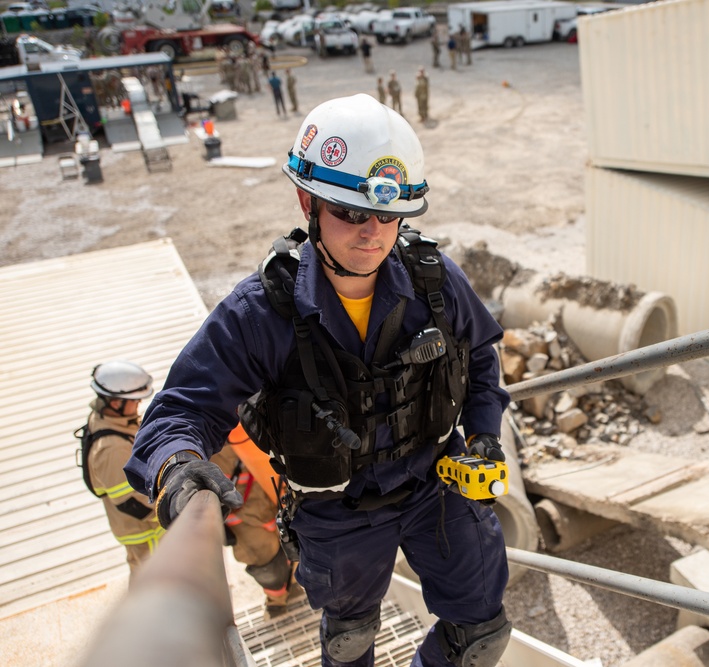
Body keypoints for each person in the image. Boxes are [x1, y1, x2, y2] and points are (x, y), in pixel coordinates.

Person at [125, 93, 512, 667]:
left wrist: (482, 436)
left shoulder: (435, 281)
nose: (372, 233)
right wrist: (179, 471)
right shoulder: (260, 313)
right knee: (349, 644)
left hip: (437, 485)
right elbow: (181, 410)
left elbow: (481, 354)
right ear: (307, 200)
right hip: (338, 511)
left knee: (480, 635)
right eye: (350, 213)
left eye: (388, 215)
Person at [84, 361, 163, 583]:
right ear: (116, 402)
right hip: (146, 533)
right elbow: (132, 503)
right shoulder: (111, 449)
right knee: (153, 583)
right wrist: (173, 513)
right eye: (134, 401)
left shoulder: (112, 420)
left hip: (148, 528)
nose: (138, 405)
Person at [214, 425, 301, 618]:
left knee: (291, 545)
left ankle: (292, 586)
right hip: (244, 514)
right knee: (266, 564)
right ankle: (277, 602)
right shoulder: (203, 423)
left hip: (271, 495)